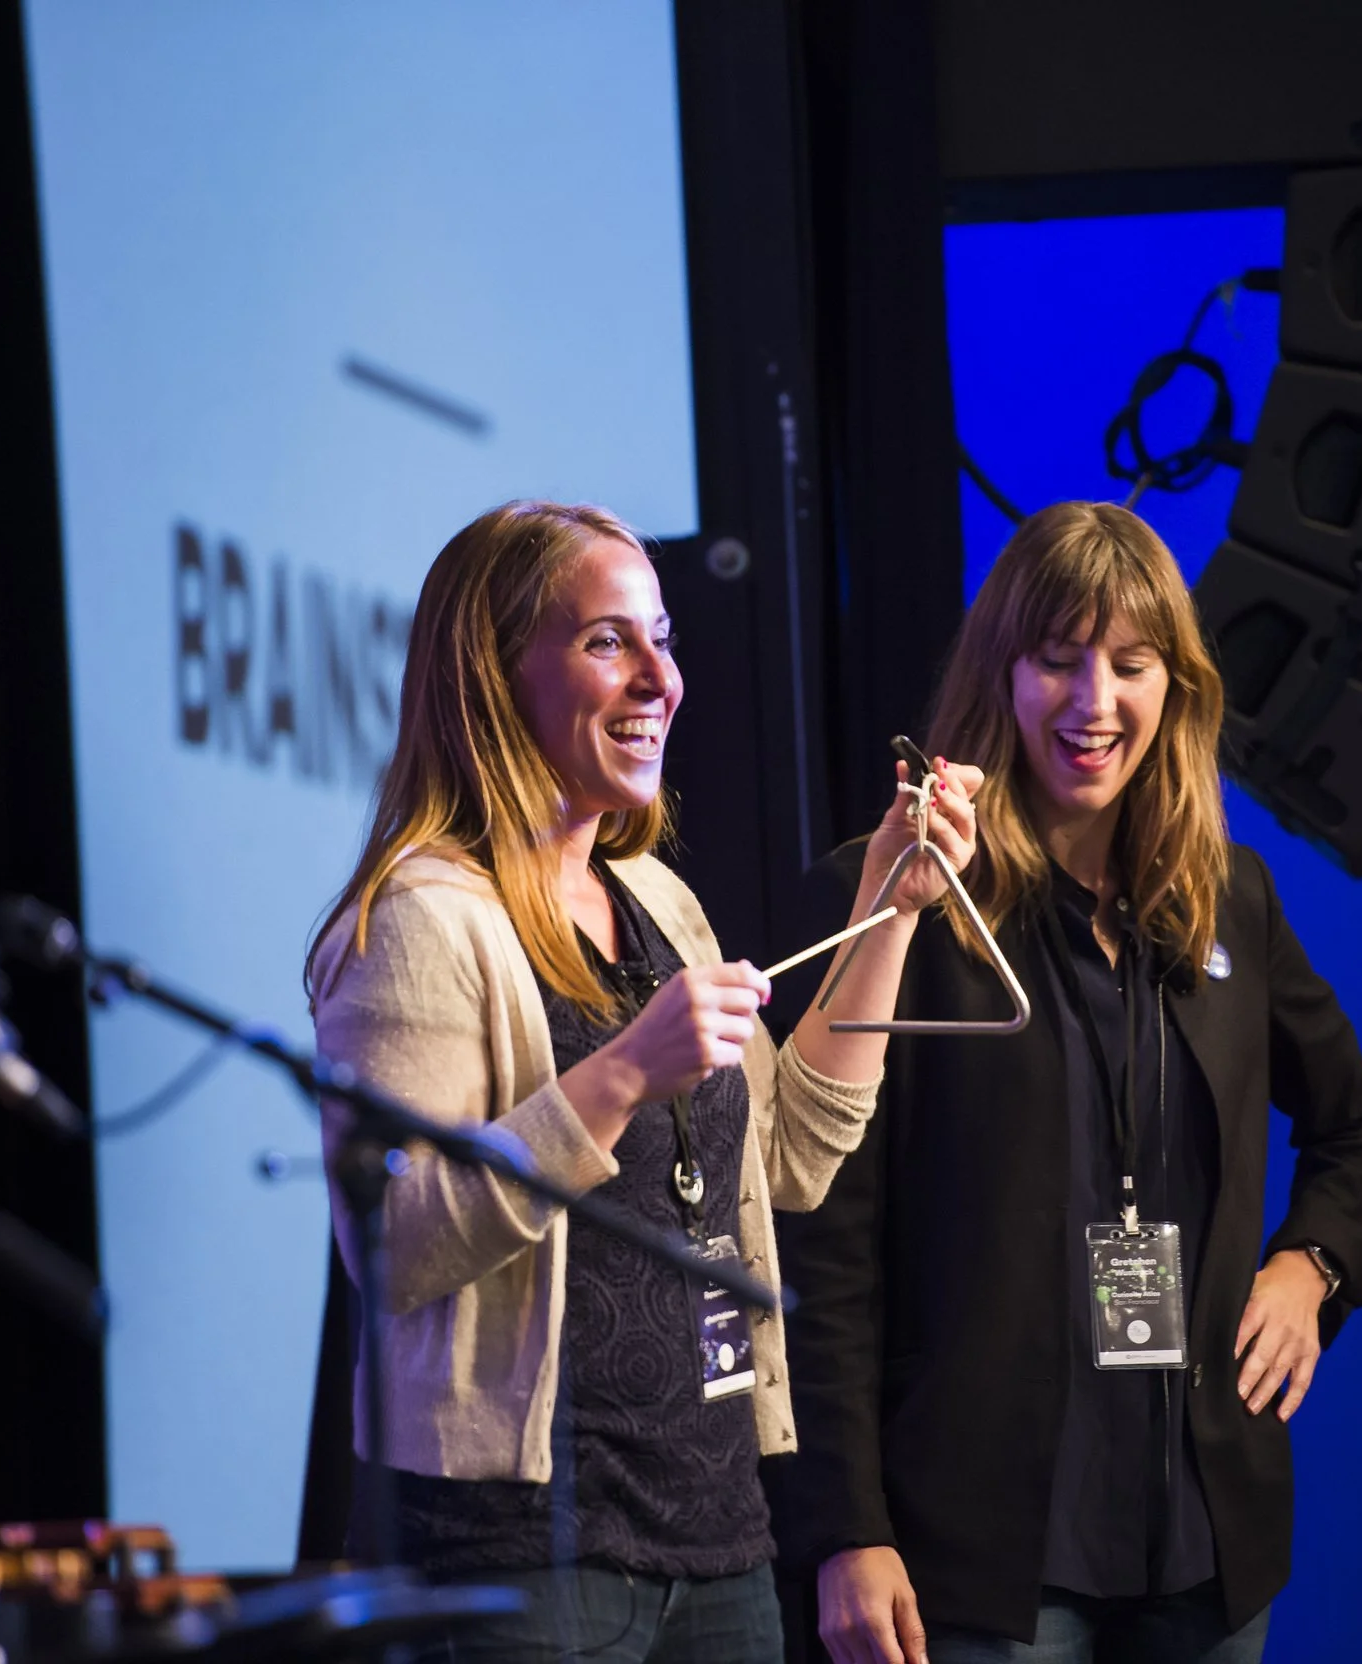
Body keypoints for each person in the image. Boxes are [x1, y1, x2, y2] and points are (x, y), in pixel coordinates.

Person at [305, 500, 979, 1664]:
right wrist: (619, 1074)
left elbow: (790, 1161)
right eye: (608, 640)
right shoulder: (416, 920)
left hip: (716, 1538)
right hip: (520, 1557)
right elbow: (394, 1242)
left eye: (661, 638)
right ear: (492, 672)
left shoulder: (658, 902)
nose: (659, 677)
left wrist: (890, 908)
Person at [768, 502, 1362, 1664]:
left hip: (1206, 1545)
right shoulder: (896, 903)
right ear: (998, 675)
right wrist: (841, 1528)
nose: (1092, 704)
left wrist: (1310, 1264)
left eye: (1130, 664)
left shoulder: (1228, 899)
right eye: (1056, 662)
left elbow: (1358, 1120)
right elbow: (815, 1243)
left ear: (1178, 685)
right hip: (972, 1553)